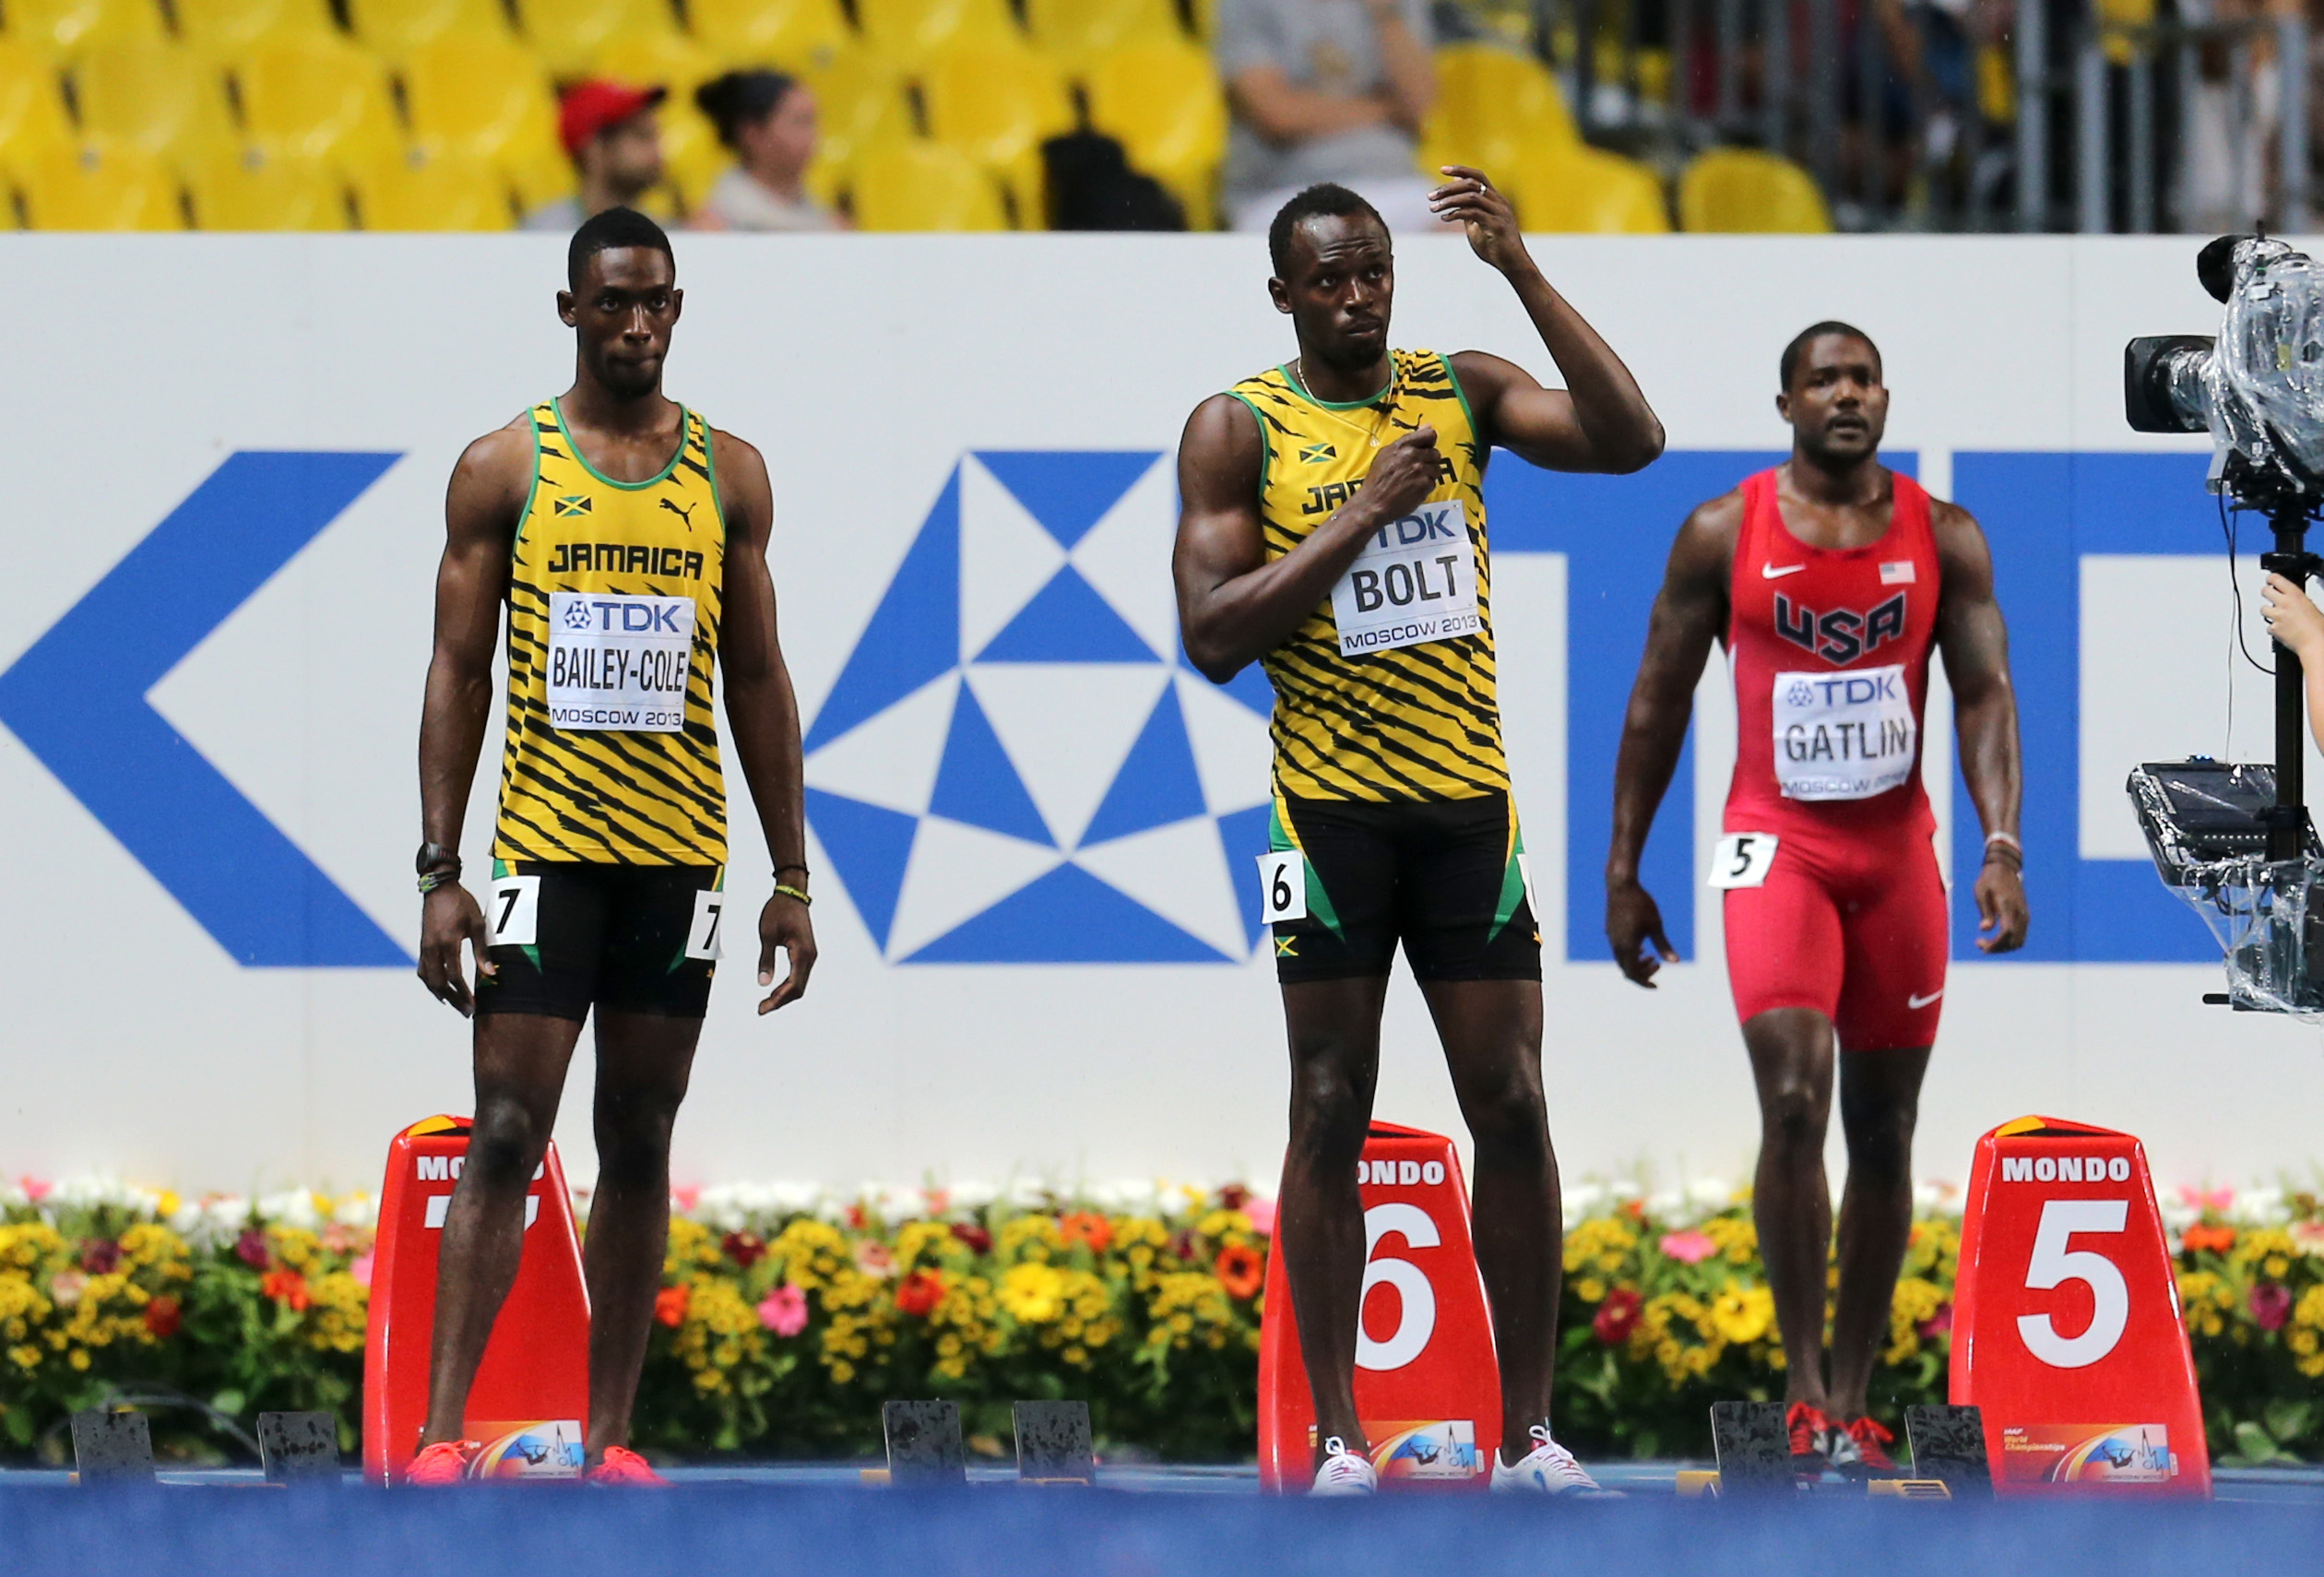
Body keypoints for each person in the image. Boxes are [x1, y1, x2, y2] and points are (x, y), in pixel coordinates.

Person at [1173, 175, 1663, 1495]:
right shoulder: (1238, 427)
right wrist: (1364, 514)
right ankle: (1338, 1435)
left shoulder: (1464, 388)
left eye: (1375, 271)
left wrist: (1526, 272)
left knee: (1511, 1103)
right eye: (1328, 279)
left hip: (1464, 811)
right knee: (1330, 1104)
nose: (1357, 297)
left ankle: (1531, 1434)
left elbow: (1633, 440)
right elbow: (1214, 634)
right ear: (1284, 293)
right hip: (1325, 816)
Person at [409, 207, 817, 1485]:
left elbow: (757, 675)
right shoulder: (504, 468)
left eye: (656, 303)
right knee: (508, 1126)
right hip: (542, 853)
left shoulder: (729, 472)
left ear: (677, 310)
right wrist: (440, 870)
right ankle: (433, 1437)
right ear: (571, 310)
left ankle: (609, 1439)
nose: (636, 324)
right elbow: (457, 669)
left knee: (640, 1134)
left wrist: (790, 877)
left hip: (678, 862)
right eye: (612, 303)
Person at [1605, 322, 2027, 1476]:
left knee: (1884, 1132)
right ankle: (1800, 1389)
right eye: (1823, 380)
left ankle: (1852, 1390)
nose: (1846, 394)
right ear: (1785, 403)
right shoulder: (1723, 532)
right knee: (1795, 1102)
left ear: (1885, 398)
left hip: (1897, 860)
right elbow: (1658, 700)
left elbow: (1985, 696)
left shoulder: (1944, 535)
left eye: (1863, 377)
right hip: (1776, 850)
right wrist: (1623, 868)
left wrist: (2002, 845)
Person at [1215, 0, 1439, 234]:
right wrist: (1386, 109)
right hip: (1287, 192)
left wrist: (1385, 14)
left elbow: (1418, 105)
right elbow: (1277, 115)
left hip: (1395, 183)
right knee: (1334, 246)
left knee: (1467, 233)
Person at [692, 70, 845, 232]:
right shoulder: (715, 226)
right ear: (752, 133)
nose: (813, 137)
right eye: (799, 122)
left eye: (813, 122)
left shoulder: (830, 222)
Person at [524, 82, 668, 231]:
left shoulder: (663, 232)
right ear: (594, 148)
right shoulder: (544, 234)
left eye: (657, 137)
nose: (658, 151)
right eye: (642, 136)